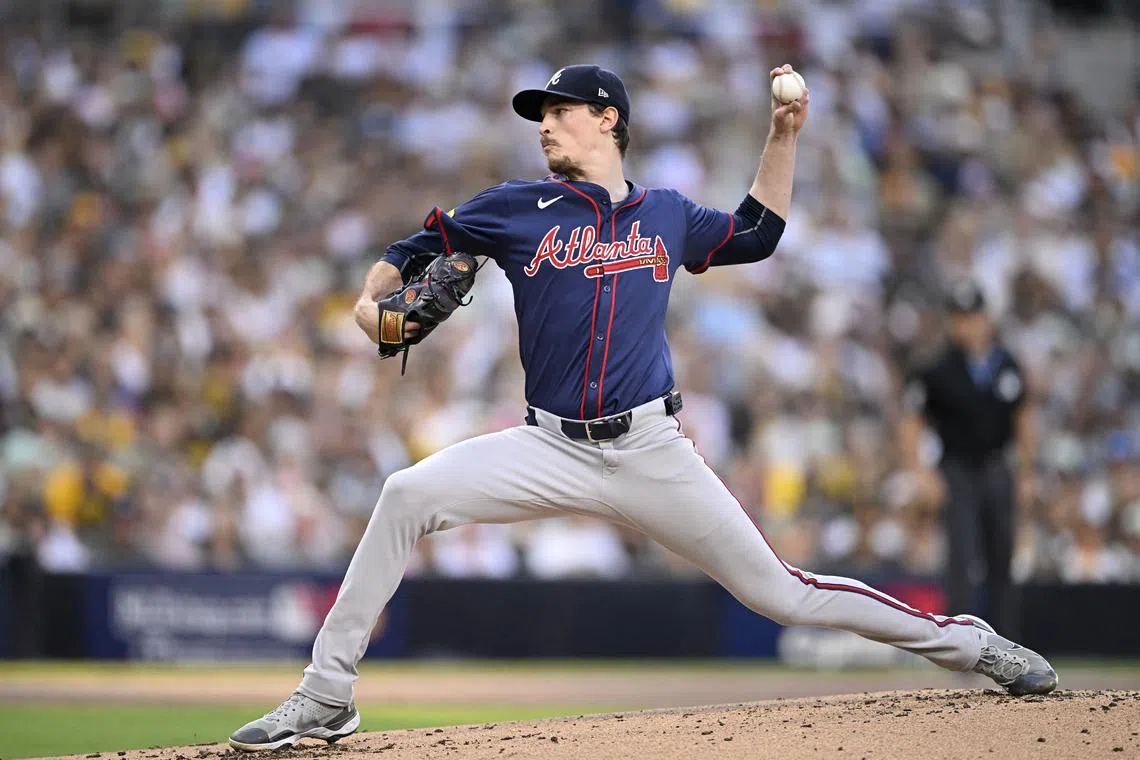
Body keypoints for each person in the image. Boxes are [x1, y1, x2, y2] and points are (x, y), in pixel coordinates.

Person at [228, 64, 1057, 752]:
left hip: (651, 448)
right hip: (548, 446)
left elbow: (757, 233)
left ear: (607, 119)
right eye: (540, 115)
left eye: (559, 111)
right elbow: (410, 253)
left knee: (783, 593)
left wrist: (783, 136)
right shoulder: (515, 206)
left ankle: (967, 642)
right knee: (405, 493)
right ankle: (327, 694)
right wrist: (368, 305)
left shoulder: (665, 214)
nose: (544, 125)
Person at [900, 281, 1038, 639]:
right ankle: (960, 645)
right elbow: (912, 421)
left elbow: (1023, 419)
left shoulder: (1006, 364)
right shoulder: (935, 367)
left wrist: (1027, 473)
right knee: (960, 558)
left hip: (997, 468)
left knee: (1001, 557)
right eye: (960, 317)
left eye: (973, 316)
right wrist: (921, 473)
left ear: (985, 318)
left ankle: (1007, 644)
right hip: (957, 471)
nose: (967, 325)